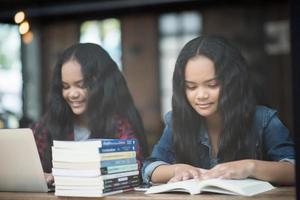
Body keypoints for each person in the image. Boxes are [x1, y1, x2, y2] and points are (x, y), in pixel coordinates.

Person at [142, 35, 295, 186]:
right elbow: (150, 168)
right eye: (191, 87)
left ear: (232, 82)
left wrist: (250, 167)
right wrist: (175, 170)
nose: (201, 95)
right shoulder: (177, 121)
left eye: (212, 85)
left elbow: (292, 169)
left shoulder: (264, 120)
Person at [32, 43, 148, 185]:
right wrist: (41, 176)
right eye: (65, 87)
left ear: (101, 85)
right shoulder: (48, 125)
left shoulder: (120, 125)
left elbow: (135, 168)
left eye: (81, 85)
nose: (72, 94)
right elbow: (26, 167)